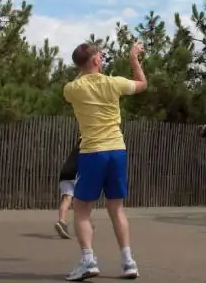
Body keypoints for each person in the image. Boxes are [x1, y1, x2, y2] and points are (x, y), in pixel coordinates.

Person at [62, 41, 148, 281]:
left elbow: (83, 74)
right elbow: (142, 85)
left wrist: (86, 65)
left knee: (81, 209)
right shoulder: (114, 83)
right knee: (116, 208)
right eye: (100, 56)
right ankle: (128, 262)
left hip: (92, 153)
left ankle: (89, 260)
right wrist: (133, 60)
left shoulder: (71, 89)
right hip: (117, 150)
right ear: (97, 61)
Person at [55, 137, 81, 239]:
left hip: (65, 174)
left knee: (67, 198)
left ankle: (62, 222)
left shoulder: (75, 150)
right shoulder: (89, 147)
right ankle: (84, 224)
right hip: (77, 174)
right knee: (82, 201)